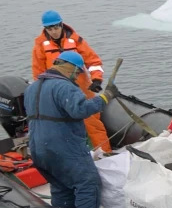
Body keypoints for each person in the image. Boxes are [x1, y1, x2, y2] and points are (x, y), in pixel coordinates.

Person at [24, 51, 118, 208]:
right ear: (70, 68)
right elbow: (80, 110)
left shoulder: (32, 88)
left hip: (37, 148)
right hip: (62, 147)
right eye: (77, 73)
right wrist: (106, 97)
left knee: (61, 185)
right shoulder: (65, 87)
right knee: (87, 183)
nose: (77, 77)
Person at [31, 10, 112, 153]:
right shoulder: (40, 46)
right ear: (45, 29)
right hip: (58, 93)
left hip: (83, 89)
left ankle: (106, 155)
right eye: (50, 28)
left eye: (56, 27)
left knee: (94, 125)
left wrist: (97, 80)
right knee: (65, 127)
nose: (54, 31)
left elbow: (93, 62)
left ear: (61, 25)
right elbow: (38, 73)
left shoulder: (76, 40)